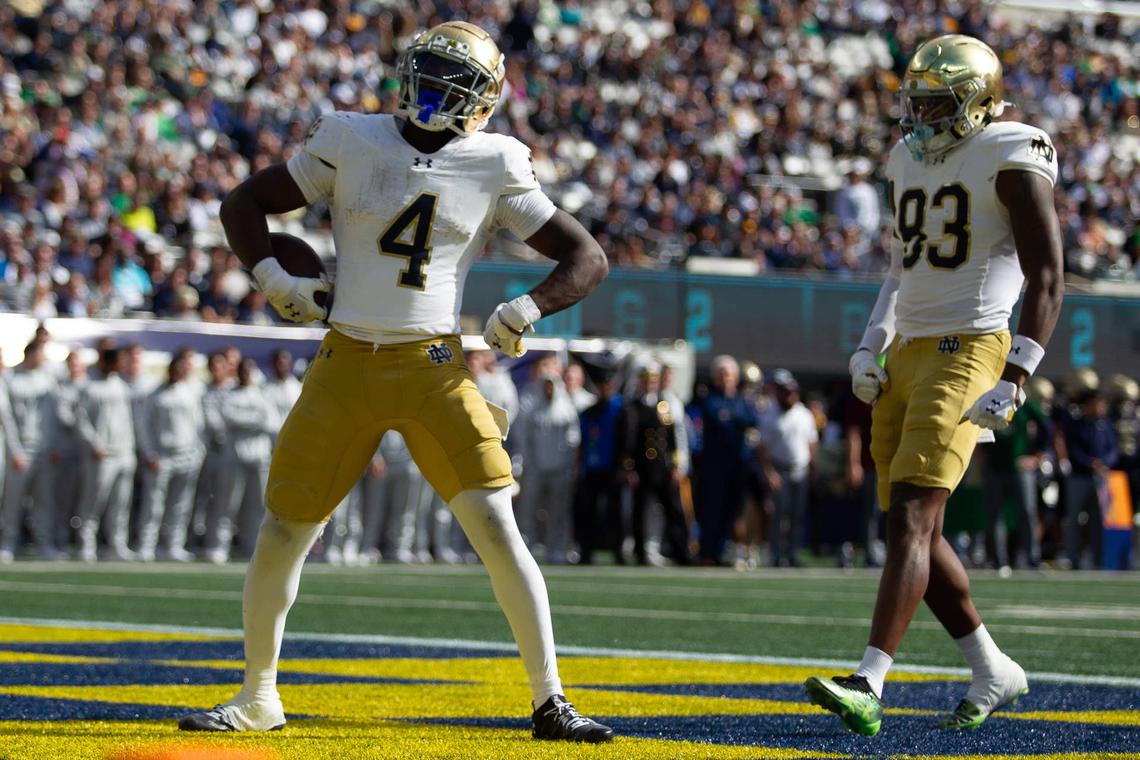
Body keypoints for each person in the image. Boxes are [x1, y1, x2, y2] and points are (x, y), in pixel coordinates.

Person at [178, 22, 612, 743]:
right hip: (345, 360)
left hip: (433, 369)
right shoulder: (352, 136)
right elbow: (243, 203)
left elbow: (585, 256)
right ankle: (259, 696)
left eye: (453, 79)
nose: (434, 91)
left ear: (483, 98)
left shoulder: (496, 160)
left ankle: (550, 700)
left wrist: (530, 306)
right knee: (284, 528)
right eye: (428, 73)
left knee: (497, 526)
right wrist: (273, 278)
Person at [804, 35, 1064, 735]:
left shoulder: (1012, 150)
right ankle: (991, 667)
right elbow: (901, 269)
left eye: (935, 101)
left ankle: (869, 680)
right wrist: (870, 344)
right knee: (907, 524)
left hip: (971, 345)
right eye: (913, 100)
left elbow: (1047, 273)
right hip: (910, 348)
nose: (918, 114)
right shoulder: (903, 159)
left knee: (915, 516)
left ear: (976, 103)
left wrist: (1018, 373)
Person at [135, 348, 206, 562]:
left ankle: (174, 546)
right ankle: (146, 546)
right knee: (154, 504)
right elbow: (144, 426)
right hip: (162, 457)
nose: (181, 372)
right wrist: (150, 454)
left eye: (184, 368)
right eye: (177, 368)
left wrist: (198, 453)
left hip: (187, 456)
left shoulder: (192, 393)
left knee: (181, 505)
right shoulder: (154, 394)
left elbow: (199, 426)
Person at [617, 364, 690, 566]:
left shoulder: (663, 405)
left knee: (673, 509)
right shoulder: (632, 407)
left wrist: (676, 465)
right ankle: (642, 551)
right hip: (642, 467)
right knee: (640, 510)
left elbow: (671, 437)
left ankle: (680, 550)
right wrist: (628, 467)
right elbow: (627, 441)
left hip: (662, 467)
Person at [691, 355, 759, 565]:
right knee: (711, 510)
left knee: (731, 511)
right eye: (721, 375)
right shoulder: (708, 399)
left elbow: (752, 420)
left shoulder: (742, 400)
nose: (725, 379)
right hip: (714, 466)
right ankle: (706, 552)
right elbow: (718, 419)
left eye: (728, 375)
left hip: (736, 465)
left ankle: (720, 551)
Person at [0, 339, 62, 561]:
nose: (43, 358)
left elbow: (55, 418)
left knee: (44, 500)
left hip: (44, 450)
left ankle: (44, 544)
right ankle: (7, 543)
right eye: (41, 353)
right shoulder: (9, 379)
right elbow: (7, 419)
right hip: (22, 449)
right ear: (30, 353)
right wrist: (15, 450)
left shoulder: (48, 380)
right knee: (13, 501)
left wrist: (55, 446)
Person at [77, 348, 138, 562]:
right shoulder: (91, 387)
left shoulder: (122, 386)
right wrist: (95, 444)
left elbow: (129, 420)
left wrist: (131, 447)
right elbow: (82, 420)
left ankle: (117, 544)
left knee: (121, 503)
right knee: (93, 501)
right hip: (102, 454)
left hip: (124, 452)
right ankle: (87, 544)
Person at [757, 369, 818, 568]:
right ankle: (776, 554)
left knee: (797, 515)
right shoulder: (769, 414)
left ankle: (792, 552)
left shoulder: (804, 414)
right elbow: (763, 448)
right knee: (778, 514)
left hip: (800, 469)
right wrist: (769, 472)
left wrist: (812, 469)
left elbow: (812, 443)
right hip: (779, 468)